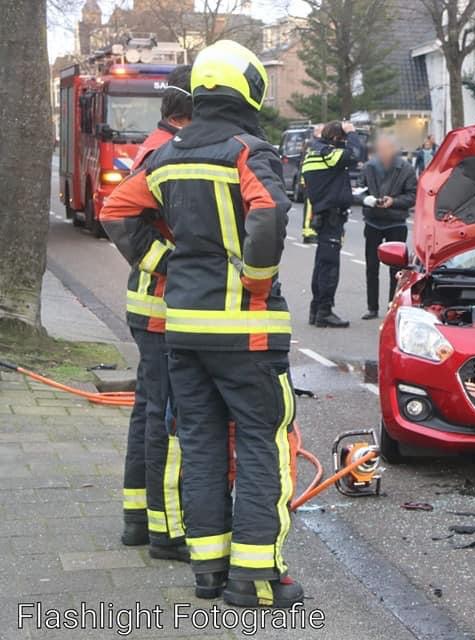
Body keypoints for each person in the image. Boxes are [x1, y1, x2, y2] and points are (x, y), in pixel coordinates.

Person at [101, 40, 302, 609]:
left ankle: (208, 572)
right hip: (245, 331)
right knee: (265, 442)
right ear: (250, 89)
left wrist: (167, 266)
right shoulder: (248, 151)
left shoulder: (166, 154)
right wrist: (256, 281)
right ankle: (256, 579)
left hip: (183, 331)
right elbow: (268, 211)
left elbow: (117, 210)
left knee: (202, 445)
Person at [120, 65, 191, 564]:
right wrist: (171, 265)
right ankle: (165, 531)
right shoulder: (165, 152)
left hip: (151, 304)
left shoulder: (157, 144)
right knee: (167, 417)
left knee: (149, 410)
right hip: (161, 304)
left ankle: (138, 520)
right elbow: (119, 215)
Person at [301, 121, 364, 328]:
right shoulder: (328, 154)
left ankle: (315, 309)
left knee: (321, 264)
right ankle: (324, 312)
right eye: (342, 140)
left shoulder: (313, 153)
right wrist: (352, 133)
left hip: (323, 214)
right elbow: (356, 154)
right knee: (329, 267)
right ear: (337, 139)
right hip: (331, 216)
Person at [359, 135, 418, 320]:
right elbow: (359, 190)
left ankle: (393, 305)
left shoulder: (406, 169)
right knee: (371, 266)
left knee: (396, 269)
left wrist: (394, 201)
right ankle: (372, 307)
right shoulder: (369, 167)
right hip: (373, 221)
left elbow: (413, 196)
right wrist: (368, 200)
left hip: (396, 222)